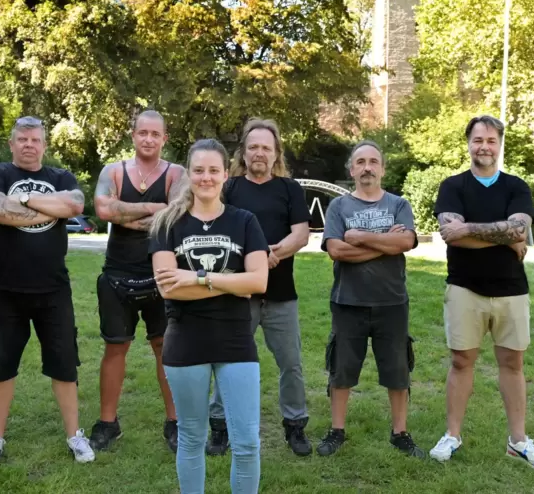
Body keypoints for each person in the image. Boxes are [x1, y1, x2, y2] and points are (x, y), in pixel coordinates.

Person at [429, 115, 534, 470]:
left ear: (499, 144)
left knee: (512, 363)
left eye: (491, 140)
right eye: (478, 139)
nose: (484, 146)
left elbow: (518, 230)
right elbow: (450, 234)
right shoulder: (452, 186)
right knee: (460, 362)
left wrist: (470, 229)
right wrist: (504, 239)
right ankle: (452, 435)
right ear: (468, 143)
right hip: (464, 287)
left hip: (512, 290)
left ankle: (518, 441)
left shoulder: (517, 187)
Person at [149, 138, 269, 494]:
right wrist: (233, 283)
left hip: (235, 340)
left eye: (213, 170)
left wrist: (198, 277)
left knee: (247, 442)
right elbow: (168, 288)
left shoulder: (244, 221)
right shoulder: (166, 223)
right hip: (186, 340)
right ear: (189, 174)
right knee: (191, 437)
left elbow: (259, 281)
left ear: (226, 174)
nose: (206, 177)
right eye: (199, 170)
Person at [0, 116, 94, 464]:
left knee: (64, 364)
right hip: (6, 290)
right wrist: (45, 208)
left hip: (54, 291)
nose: (29, 144)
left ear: (44, 145)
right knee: (0, 365)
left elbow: (74, 207)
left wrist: (23, 201)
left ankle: (75, 435)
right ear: (11, 144)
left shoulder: (61, 177)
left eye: (35, 139)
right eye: (22, 139)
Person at [207, 118, 312, 457]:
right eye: (253, 147)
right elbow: (218, 228)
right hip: (239, 294)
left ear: (276, 152)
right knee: (227, 360)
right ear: (243, 152)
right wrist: (252, 259)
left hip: (281, 295)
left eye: (266, 147)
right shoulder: (230, 188)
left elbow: (301, 234)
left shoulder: (289, 189)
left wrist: (271, 253)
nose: (259, 153)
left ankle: (294, 427)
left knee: (291, 364)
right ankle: (219, 428)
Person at [317, 140, 424, 458]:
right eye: (360, 162)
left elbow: (406, 241)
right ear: (351, 169)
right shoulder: (339, 207)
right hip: (348, 301)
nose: (367, 167)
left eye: (373, 161)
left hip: (392, 302)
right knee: (342, 368)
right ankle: (337, 431)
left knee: (397, 369)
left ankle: (400, 433)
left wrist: (361, 237)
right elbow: (336, 250)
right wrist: (384, 242)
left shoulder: (398, 204)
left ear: (382, 168)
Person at [90, 110, 185, 452]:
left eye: (154, 134)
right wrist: (153, 209)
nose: (148, 139)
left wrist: (125, 210)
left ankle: (174, 422)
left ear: (164, 138)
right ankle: (107, 422)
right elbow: (103, 211)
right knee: (116, 347)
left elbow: (176, 216)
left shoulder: (177, 174)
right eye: (142, 132)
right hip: (117, 273)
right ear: (133, 135)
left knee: (166, 348)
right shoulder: (113, 171)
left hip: (163, 273)